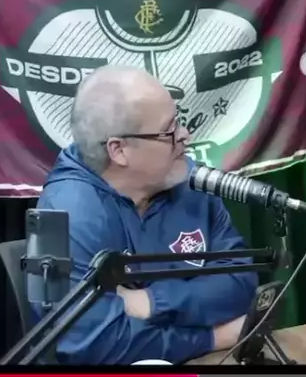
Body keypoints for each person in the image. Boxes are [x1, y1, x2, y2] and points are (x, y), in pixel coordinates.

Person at [35, 65, 257, 364]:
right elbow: (93, 345)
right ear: (119, 150)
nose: (185, 135)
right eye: (169, 130)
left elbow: (241, 283)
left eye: (179, 122)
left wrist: (153, 303)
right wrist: (213, 337)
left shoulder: (189, 180)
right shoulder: (69, 211)